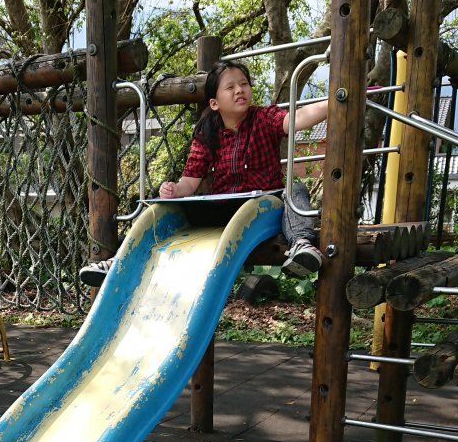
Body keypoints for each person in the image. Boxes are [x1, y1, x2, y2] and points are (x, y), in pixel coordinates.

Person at [80, 59, 329, 287]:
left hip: (264, 208)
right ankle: (117, 261)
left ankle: (301, 244)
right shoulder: (208, 131)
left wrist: (333, 102)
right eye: (230, 87)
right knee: (161, 209)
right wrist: (174, 190)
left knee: (295, 189)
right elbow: (189, 182)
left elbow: (296, 118)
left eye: (244, 84)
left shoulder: (264, 118)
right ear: (214, 103)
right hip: (224, 211)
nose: (239, 90)